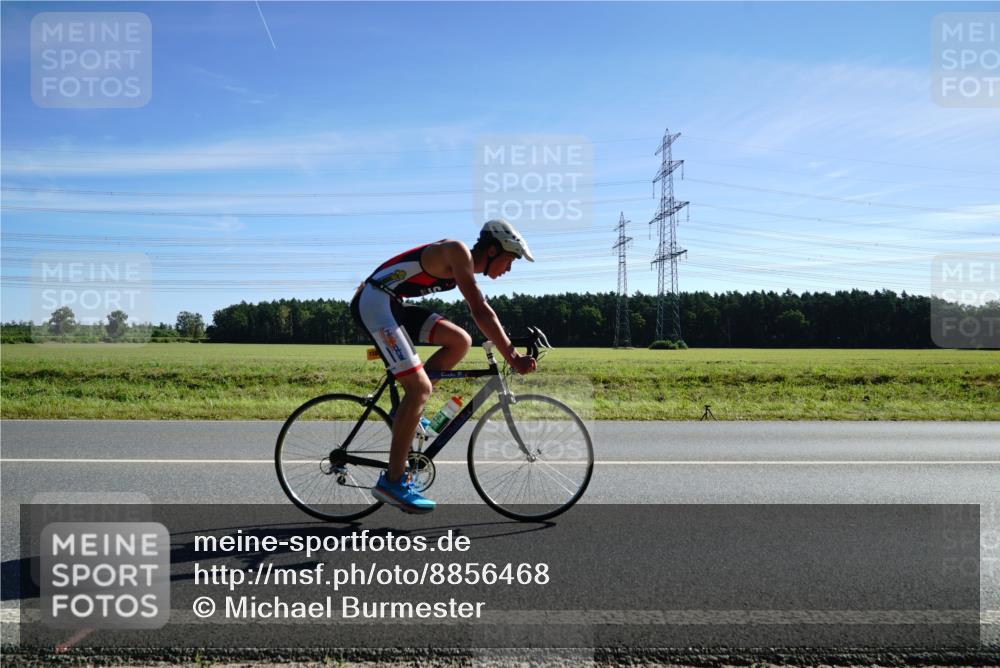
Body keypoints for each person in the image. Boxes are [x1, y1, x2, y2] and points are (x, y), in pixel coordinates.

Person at [350, 219, 537, 514]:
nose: (509, 268)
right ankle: (393, 481)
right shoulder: (457, 252)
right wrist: (512, 356)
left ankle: (406, 415)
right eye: (510, 260)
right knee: (420, 388)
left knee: (460, 341)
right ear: (491, 251)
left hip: (392, 301)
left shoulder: (460, 259)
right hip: (376, 302)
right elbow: (480, 309)